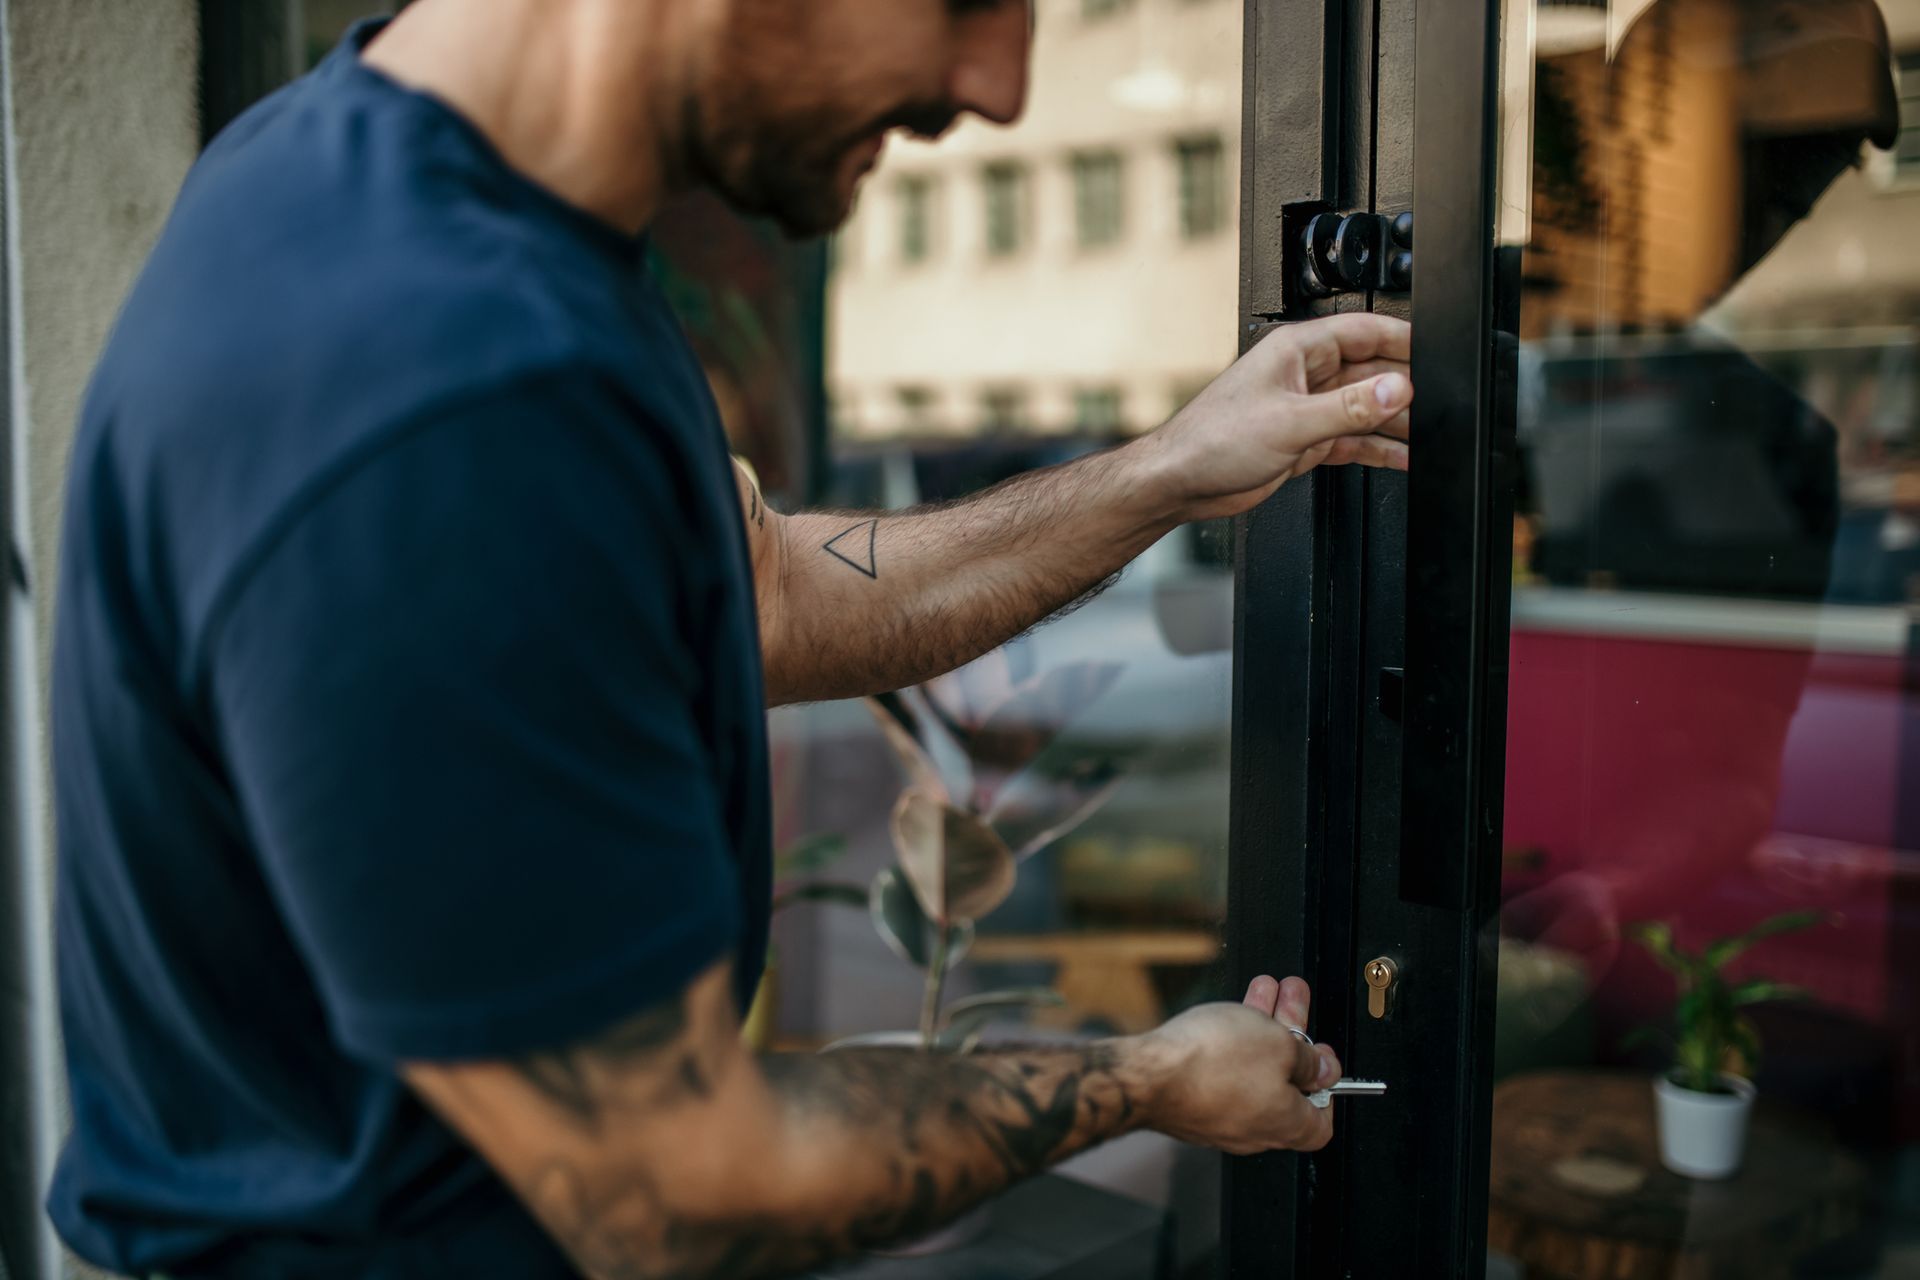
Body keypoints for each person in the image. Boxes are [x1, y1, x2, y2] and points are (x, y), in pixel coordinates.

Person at [46, 1, 1414, 1277]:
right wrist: (1152, 1082)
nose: (997, 89)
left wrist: (1168, 469)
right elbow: (677, 1186)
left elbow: (757, 593)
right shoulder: (440, 390)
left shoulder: (419, 195)